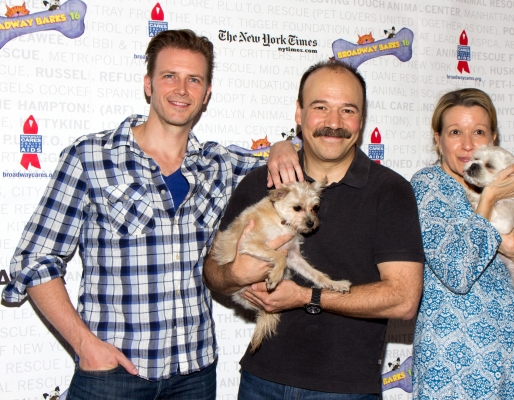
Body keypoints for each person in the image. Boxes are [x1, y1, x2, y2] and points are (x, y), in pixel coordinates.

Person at [1, 29, 301, 400]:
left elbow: (315, 152)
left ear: (206, 94)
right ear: (149, 85)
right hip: (112, 374)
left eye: (194, 79)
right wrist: (85, 345)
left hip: (195, 373)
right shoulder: (90, 157)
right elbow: (34, 259)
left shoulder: (219, 164)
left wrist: (283, 145)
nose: (181, 89)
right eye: (169, 76)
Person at [203, 60, 425, 399]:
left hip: (344, 389)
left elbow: (404, 300)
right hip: (260, 380)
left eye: (347, 110)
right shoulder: (262, 182)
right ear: (299, 113)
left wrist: (306, 297)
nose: (334, 123)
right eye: (320, 107)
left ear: (362, 120)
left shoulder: (390, 191)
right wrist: (235, 274)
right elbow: (212, 273)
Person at [410, 88, 514, 399]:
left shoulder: (513, 193)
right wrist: (489, 199)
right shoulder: (429, 187)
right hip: (455, 370)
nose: (467, 144)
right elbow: (457, 272)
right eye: (454, 132)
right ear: (438, 139)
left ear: (493, 138)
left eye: (478, 132)